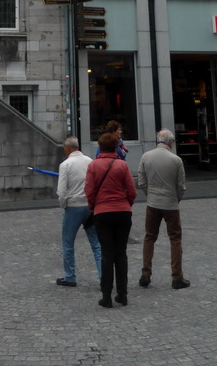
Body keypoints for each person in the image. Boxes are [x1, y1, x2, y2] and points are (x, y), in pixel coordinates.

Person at [85, 131, 137, 308]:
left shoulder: (93, 166)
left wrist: (94, 206)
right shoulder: (122, 166)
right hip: (122, 211)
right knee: (121, 254)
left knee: (107, 254)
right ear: (115, 146)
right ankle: (122, 294)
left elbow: (89, 191)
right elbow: (132, 191)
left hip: (102, 212)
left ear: (100, 147)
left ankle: (106, 295)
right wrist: (126, 204)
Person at [137, 129, 190, 290]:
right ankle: (177, 276)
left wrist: (150, 195)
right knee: (175, 239)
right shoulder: (176, 160)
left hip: (152, 203)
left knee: (149, 237)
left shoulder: (146, 157)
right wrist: (176, 199)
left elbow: (141, 181)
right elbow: (181, 186)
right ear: (170, 142)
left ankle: (145, 273)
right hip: (171, 205)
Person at [55, 136, 102, 288]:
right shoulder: (90, 161)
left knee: (68, 242)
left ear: (67, 148)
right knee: (96, 243)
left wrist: (64, 204)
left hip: (73, 206)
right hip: (89, 206)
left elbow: (62, 191)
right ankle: (103, 276)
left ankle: (70, 276)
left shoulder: (65, 165)